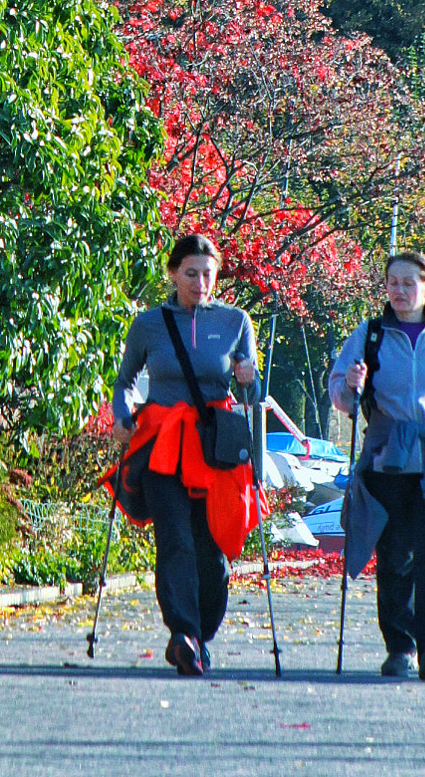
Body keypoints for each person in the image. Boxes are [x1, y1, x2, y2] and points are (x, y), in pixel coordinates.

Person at [107, 232, 261, 677]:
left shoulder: (236, 322)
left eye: (208, 274)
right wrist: (123, 416)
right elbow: (126, 381)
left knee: (212, 549)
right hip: (161, 445)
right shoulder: (148, 324)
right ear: (173, 273)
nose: (199, 282)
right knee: (173, 540)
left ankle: (200, 633)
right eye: (190, 273)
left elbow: (252, 396)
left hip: (215, 450)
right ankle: (183, 635)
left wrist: (249, 378)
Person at [329, 249, 425, 682]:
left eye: (408, 282)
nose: (399, 290)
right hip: (387, 459)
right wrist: (350, 386)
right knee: (394, 557)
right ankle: (401, 647)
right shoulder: (370, 334)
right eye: (392, 283)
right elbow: (339, 391)